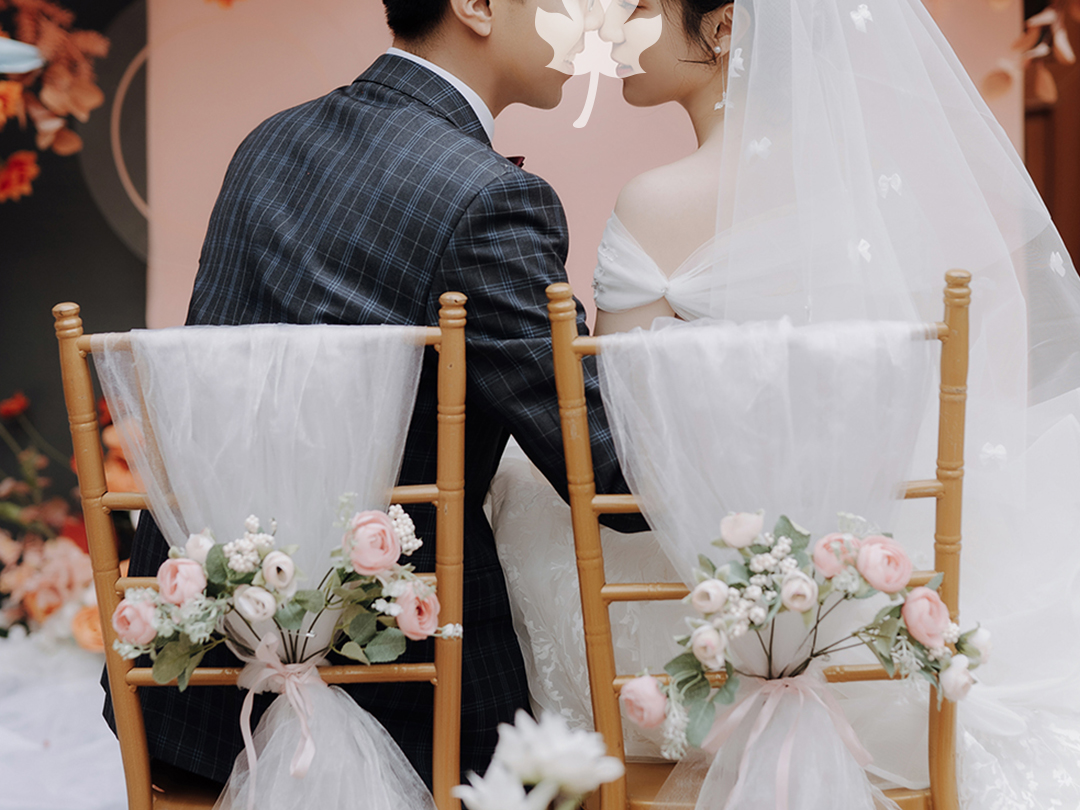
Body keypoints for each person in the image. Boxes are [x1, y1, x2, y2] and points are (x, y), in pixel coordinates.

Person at [492, 0, 1080, 802]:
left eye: (641, 7)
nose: (612, 28)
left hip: (721, 620)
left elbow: (623, 438)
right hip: (883, 603)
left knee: (515, 489)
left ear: (724, 26)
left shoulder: (655, 201)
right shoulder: (877, 204)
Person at [105, 0, 647, 790]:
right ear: (477, 6)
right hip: (397, 700)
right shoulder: (486, 198)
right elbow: (610, 474)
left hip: (191, 694)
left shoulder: (267, 143)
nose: (585, 16)